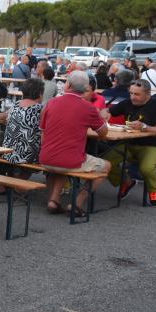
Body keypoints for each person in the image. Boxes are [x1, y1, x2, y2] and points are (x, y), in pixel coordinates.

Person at [39, 71, 110, 216]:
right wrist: (99, 119)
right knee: (106, 166)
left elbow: (43, 132)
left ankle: (54, 200)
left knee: (63, 163)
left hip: (46, 158)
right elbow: (103, 133)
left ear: (68, 85)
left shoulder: (51, 103)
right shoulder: (88, 108)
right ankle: (77, 202)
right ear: (85, 89)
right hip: (69, 160)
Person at [100, 78, 156, 207]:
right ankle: (126, 182)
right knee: (104, 162)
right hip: (129, 143)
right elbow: (106, 110)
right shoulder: (127, 103)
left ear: (148, 94)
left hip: (151, 145)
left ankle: (153, 191)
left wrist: (143, 127)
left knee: (146, 168)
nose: (132, 97)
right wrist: (105, 113)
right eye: (131, 93)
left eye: (137, 94)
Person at [1, 78, 45, 174]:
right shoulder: (40, 109)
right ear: (40, 93)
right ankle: (18, 185)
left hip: (7, 152)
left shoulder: (16, 105)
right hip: (27, 156)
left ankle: (13, 182)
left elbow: (8, 122)